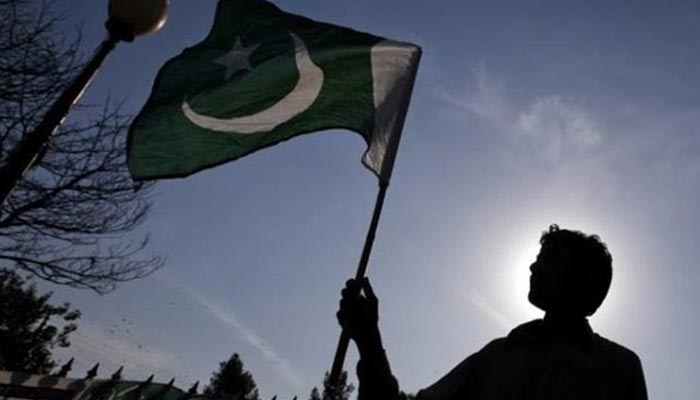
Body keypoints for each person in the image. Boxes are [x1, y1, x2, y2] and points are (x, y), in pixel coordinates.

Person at [337, 225, 648, 400]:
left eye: (551, 257)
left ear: (584, 278)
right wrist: (369, 342)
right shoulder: (497, 357)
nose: (533, 266)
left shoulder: (620, 368)